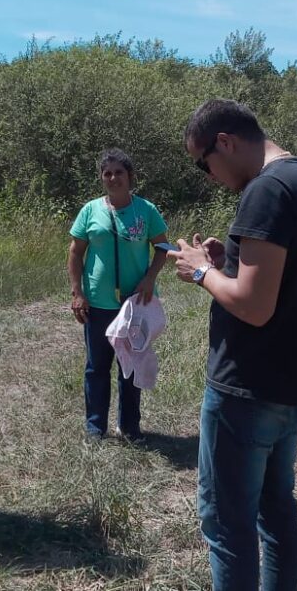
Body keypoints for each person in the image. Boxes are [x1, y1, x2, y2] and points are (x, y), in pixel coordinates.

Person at [170, 99, 297, 591]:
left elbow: (253, 305)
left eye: (204, 164)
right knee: (275, 508)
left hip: (248, 389)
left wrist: (201, 272)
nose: (208, 176)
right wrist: (228, 263)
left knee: (227, 525)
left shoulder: (265, 191)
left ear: (224, 142)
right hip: (295, 382)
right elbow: (290, 276)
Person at [68, 148, 169, 442]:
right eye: (107, 173)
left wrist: (149, 279)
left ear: (130, 176)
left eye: (119, 173)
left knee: (131, 365)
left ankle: (129, 427)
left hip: (134, 304)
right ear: (102, 178)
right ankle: (95, 427)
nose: (113, 178)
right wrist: (77, 293)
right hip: (97, 303)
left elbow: (163, 248)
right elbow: (75, 252)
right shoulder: (90, 210)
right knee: (96, 366)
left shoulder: (146, 210)